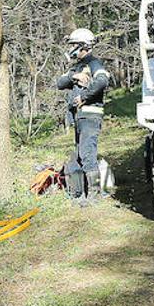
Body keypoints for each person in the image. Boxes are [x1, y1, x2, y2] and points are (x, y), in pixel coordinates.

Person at [54, 27, 110, 199]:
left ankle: (95, 194)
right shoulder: (77, 67)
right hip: (80, 117)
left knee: (87, 154)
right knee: (80, 154)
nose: (70, 49)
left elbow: (102, 81)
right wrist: (75, 77)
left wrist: (84, 96)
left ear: (83, 46)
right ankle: (83, 192)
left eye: (73, 45)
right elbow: (60, 83)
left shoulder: (94, 64)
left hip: (90, 116)